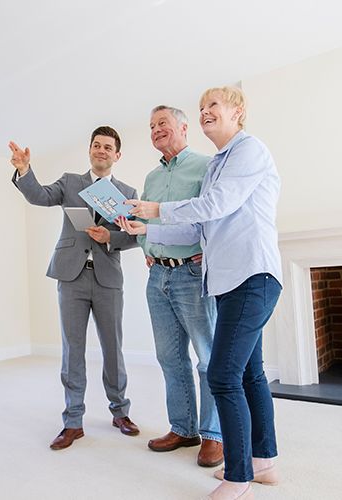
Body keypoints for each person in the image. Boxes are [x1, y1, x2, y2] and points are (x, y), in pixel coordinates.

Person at [117, 87, 282, 500]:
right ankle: (263, 464)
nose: (206, 112)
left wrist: (155, 210)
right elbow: (197, 228)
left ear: (237, 113)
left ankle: (238, 475)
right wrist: (146, 229)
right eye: (203, 106)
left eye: (214, 106)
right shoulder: (218, 165)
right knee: (248, 373)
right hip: (227, 281)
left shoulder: (249, 150)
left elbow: (217, 205)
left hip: (252, 275)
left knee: (223, 375)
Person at [9, 126, 141, 451]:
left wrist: (110, 236)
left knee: (113, 348)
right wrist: (24, 170)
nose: (101, 151)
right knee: (72, 350)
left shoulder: (127, 192)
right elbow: (40, 196)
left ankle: (120, 412)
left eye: (108, 147)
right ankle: (72, 421)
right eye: (96, 145)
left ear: (117, 155)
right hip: (71, 277)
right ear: (90, 151)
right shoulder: (70, 182)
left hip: (108, 278)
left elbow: (136, 236)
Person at [139, 105, 222, 467]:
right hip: (157, 276)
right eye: (152, 126)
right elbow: (144, 219)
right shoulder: (151, 179)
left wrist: (208, 249)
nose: (156, 130)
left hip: (191, 272)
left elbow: (213, 213)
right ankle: (183, 428)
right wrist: (146, 247)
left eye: (163, 124)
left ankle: (214, 435)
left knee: (207, 358)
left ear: (184, 128)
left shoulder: (206, 166)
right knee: (170, 358)